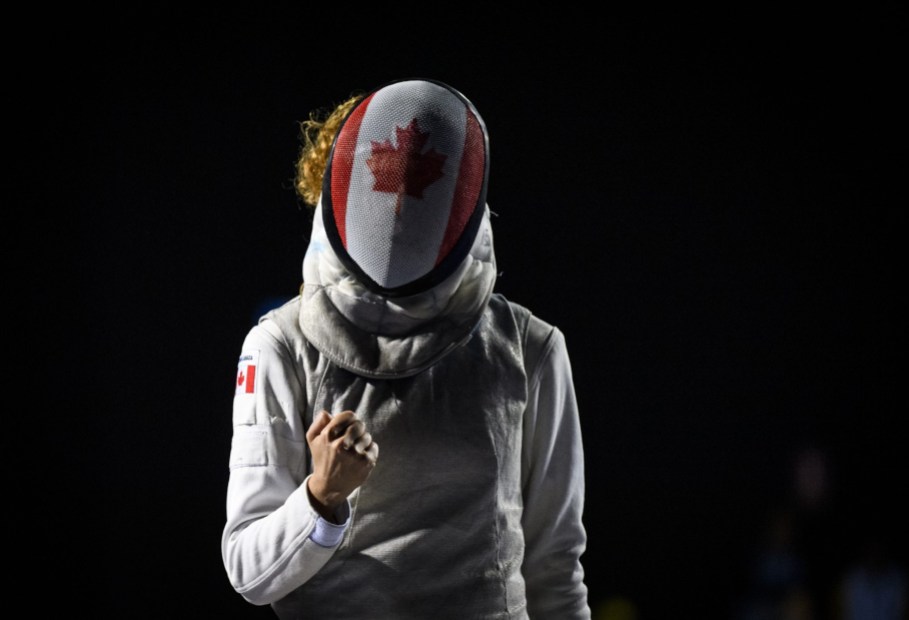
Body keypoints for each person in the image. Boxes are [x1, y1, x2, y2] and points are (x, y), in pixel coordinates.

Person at [221, 77, 592, 618]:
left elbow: (556, 568)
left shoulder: (529, 348)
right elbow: (249, 570)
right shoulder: (281, 345)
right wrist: (321, 497)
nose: (397, 217)